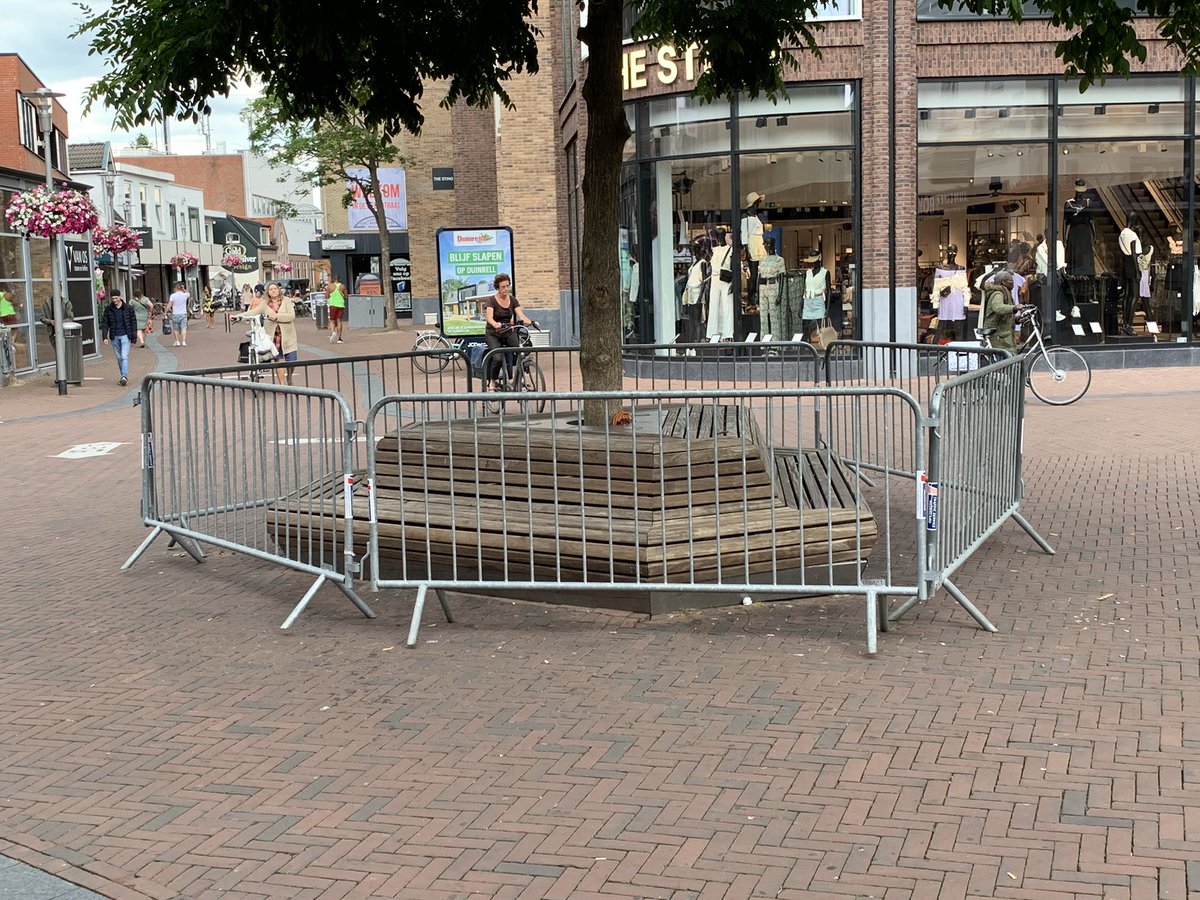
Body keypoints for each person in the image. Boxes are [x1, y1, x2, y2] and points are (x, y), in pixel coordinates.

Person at [234, 281, 297, 385]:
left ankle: (289, 377)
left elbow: (291, 316)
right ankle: (283, 385)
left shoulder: (286, 301)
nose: (273, 291)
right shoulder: (265, 304)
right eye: (271, 289)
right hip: (273, 337)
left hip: (288, 336)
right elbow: (252, 312)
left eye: (275, 288)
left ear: (279, 290)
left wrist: (276, 317)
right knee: (278, 359)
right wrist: (238, 316)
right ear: (268, 292)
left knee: (292, 361)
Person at [482, 273, 535, 389]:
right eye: (503, 287)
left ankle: (519, 377)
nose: (506, 289)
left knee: (522, 350)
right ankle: (493, 381)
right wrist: (495, 324)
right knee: (498, 358)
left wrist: (531, 322)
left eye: (507, 286)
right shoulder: (491, 301)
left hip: (508, 332)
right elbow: (489, 317)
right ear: (497, 287)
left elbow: (521, 315)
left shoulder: (513, 300)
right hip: (494, 334)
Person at [100, 289, 138, 386]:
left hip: (126, 335)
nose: (114, 300)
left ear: (120, 297)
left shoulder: (128, 308)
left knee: (124, 356)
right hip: (114, 336)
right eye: (113, 298)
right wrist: (104, 336)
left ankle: (124, 376)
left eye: (116, 298)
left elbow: (133, 322)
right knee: (119, 358)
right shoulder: (108, 309)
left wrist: (134, 337)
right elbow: (105, 323)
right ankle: (123, 376)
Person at [706, 228, 735, 341]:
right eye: (717, 236)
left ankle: (728, 334)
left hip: (725, 279)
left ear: (724, 236)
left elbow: (733, 267)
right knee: (713, 306)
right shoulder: (714, 250)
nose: (719, 238)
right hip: (714, 278)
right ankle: (712, 333)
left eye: (721, 235)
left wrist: (733, 283)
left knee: (727, 306)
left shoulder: (730, 250)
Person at [983, 270, 1019, 353]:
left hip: (1003, 335)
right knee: (1007, 357)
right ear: (1003, 282)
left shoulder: (1006, 293)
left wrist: (1016, 319)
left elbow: (1006, 315)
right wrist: (1014, 308)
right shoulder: (998, 294)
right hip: (998, 335)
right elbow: (998, 308)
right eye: (1011, 281)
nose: (1013, 284)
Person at [757, 237, 786, 340]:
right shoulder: (762, 260)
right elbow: (759, 277)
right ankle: (764, 342)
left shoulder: (779, 260)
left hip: (773, 286)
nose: (766, 246)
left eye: (768, 244)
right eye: (765, 244)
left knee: (774, 316)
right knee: (763, 317)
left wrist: (780, 294)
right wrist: (757, 293)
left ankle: (775, 342)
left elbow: (782, 277)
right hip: (762, 287)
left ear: (773, 245)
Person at [168, 281, 190, 346]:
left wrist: (167, 311)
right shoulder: (185, 295)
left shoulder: (173, 296)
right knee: (184, 328)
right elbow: (189, 294)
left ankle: (177, 341)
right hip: (183, 314)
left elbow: (169, 304)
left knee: (175, 328)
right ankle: (183, 341)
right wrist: (184, 289)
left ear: (175, 289)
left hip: (175, 314)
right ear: (181, 288)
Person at [328, 276, 347, 343]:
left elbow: (327, 296)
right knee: (339, 321)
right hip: (340, 305)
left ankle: (333, 332)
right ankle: (339, 338)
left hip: (333, 305)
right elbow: (346, 296)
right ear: (340, 279)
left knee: (332, 320)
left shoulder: (330, 287)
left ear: (333, 279)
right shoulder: (343, 286)